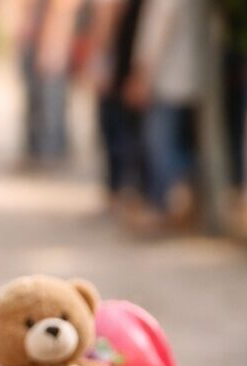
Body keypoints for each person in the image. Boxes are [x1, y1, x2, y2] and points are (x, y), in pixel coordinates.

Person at [126, 0, 203, 227]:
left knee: (159, 144)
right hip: (184, 77)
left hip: (166, 78)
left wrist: (143, 75)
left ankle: (162, 204)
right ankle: (176, 200)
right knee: (172, 143)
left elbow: (156, 32)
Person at [85, 0, 148, 210]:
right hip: (120, 68)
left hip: (121, 70)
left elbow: (104, 31)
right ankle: (120, 190)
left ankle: (122, 190)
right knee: (116, 131)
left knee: (118, 132)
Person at [18, 0, 82, 168]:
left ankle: (49, 153)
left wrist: (50, 48)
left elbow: (61, 13)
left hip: (50, 47)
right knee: (40, 102)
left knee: (48, 103)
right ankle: (39, 151)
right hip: (40, 43)